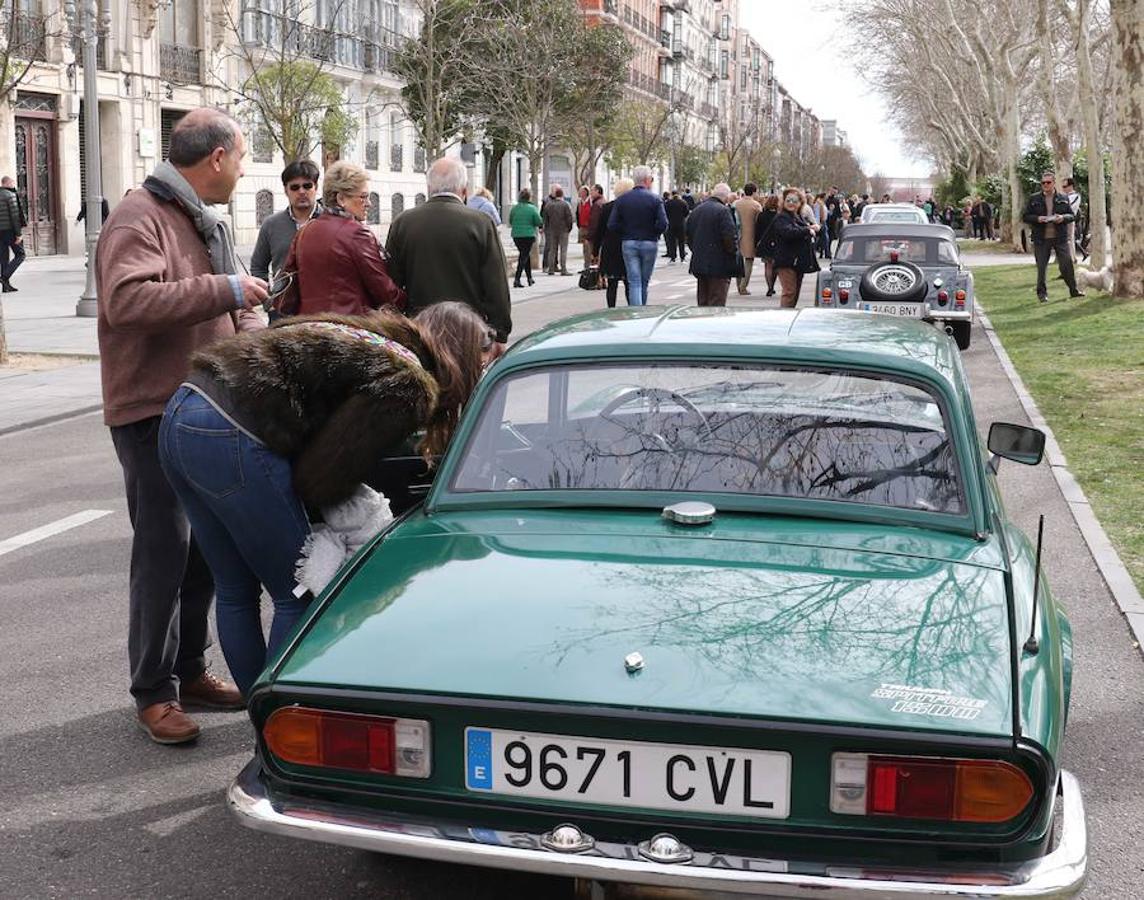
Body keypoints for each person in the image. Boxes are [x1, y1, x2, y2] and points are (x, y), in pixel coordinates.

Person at [158, 303, 493, 696]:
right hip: (233, 431)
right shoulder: (409, 384)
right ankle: (278, 718)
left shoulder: (372, 335)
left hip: (182, 409)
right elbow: (322, 478)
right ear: (464, 358)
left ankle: (259, 709)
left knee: (234, 588)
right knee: (298, 592)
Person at [95, 108, 266, 744]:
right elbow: (127, 301)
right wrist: (225, 289)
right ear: (216, 157)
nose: (245, 170)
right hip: (150, 414)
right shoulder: (139, 215)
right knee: (163, 553)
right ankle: (152, 692)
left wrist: (249, 320)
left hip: (201, 411)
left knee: (202, 554)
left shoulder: (205, 220)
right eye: (242, 157)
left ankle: (191, 670)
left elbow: (230, 299)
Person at [385, 157, 511, 350]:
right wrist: (500, 333)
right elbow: (495, 283)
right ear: (464, 190)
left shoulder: (403, 223)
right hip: (467, 331)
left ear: (429, 187)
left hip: (419, 331)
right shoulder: (481, 223)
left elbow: (391, 282)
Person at [281, 160, 404, 317]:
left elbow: (289, 286)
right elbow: (384, 292)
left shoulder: (305, 231)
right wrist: (405, 300)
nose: (369, 204)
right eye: (363, 197)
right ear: (341, 199)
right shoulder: (357, 234)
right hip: (349, 330)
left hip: (308, 328)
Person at [250, 159, 320, 290]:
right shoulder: (271, 225)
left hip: (324, 307)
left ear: (316, 187)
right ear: (286, 190)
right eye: (294, 187)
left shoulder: (331, 221)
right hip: (283, 306)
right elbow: (258, 267)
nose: (301, 192)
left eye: (307, 186)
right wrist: (269, 298)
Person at [607, 165, 667, 307]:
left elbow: (612, 224)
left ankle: (636, 311)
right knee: (644, 280)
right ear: (647, 180)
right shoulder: (655, 199)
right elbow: (663, 223)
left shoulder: (622, 200)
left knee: (634, 281)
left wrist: (625, 232)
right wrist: (654, 233)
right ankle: (642, 310)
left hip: (629, 242)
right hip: (649, 242)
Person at [1022, 171, 1084, 302]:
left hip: (1060, 237)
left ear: (1054, 183)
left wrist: (1062, 218)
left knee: (1067, 264)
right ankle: (1042, 294)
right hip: (1041, 238)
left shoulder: (1063, 197)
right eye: (1043, 183)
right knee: (1042, 267)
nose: (1045, 185)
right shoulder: (1034, 199)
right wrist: (1038, 218)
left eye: (1048, 182)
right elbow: (1026, 216)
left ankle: (1074, 290)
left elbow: (1072, 215)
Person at [686, 182, 737, 307]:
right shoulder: (724, 211)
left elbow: (688, 234)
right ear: (726, 197)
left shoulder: (697, 210)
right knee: (717, 301)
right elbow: (729, 237)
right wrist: (732, 252)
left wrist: (697, 249)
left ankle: (702, 324)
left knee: (703, 300)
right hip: (719, 263)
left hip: (700, 261)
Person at [772, 187, 819, 308]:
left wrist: (813, 228)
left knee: (795, 292)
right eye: (788, 200)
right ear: (783, 202)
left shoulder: (797, 216)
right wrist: (808, 229)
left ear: (800, 203)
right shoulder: (782, 217)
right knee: (789, 292)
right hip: (786, 261)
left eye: (795, 201)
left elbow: (801, 229)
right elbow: (788, 232)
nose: (791, 203)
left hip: (797, 261)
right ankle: (784, 318)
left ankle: (789, 314)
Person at [592, 178, 633, 308]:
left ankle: (611, 308)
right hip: (627, 247)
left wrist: (595, 251)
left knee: (612, 283)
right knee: (629, 283)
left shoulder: (607, 207)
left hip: (610, 248)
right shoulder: (632, 208)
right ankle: (632, 307)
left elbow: (600, 231)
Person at [732, 182, 763, 294]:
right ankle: (743, 286)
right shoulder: (756, 205)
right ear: (754, 192)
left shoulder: (736, 204)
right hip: (751, 235)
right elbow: (760, 221)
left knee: (738, 261)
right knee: (748, 261)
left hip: (737, 235)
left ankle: (738, 284)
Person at [508, 187, 542, 288]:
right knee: (524, 256)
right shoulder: (532, 208)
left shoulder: (514, 208)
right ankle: (517, 279)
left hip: (517, 235)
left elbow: (510, 220)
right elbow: (539, 221)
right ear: (529, 197)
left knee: (525, 255)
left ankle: (529, 278)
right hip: (528, 235)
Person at [0, 175, 25, 292]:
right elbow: (15, 216)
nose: (13, 185)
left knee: (4, 258)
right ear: (7, 183)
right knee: (20, 255)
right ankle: (4, 277)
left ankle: (6, 286)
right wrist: (19, 234)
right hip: (10, 230)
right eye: (12, 183)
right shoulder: (10, 195)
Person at [541, 185, 574, 275]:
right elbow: (569, 218)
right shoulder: (565, 205)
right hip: (563, 230)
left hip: (552, 230)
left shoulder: (549, 205)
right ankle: (563, 269)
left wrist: (547, 227)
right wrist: (569, 228)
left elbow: (545, 217)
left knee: (552, 250)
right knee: (563, 250)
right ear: (562, 195)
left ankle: (551, 269)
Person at [754, 193, 780, 297]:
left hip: (765, 242)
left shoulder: (762, 215)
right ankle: (772, 285)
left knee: (767, 266)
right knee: (775, 266)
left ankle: (769, 287)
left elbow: (758, 230)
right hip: (777, 242)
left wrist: (756, 242)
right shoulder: (779, 216)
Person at [663, 190, 689, 263]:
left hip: (671, 224)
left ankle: (673, 257)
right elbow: (686, 213)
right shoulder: (683, 202)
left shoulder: (668, 203)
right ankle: (682, 257)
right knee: (681, 241)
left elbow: (665, 213)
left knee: (672, 241)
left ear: (672, 194)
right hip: (681, 224)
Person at [1061, 177, 1081, 261]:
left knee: (1069, 239)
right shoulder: (1065, 196)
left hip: (1069, 219)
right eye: (1063, 187)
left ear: (1071, 186)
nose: (1064, 188)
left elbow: (1069, 207)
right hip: (1062, 219)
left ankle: (1071, 258)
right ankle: (1071, 257)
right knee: (1068, 239)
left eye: (1065, 186)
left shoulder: (1075, 196)